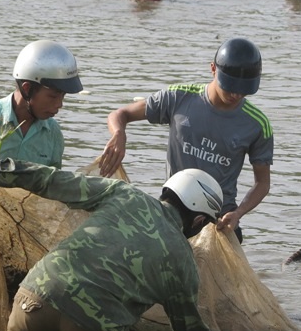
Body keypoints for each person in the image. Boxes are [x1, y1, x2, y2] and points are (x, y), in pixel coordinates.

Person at [0, 155, 225, 331]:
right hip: (93, 317)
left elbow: (52, 180)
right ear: (199, 220)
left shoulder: (125, 194)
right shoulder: (182, 259)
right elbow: (186, 326)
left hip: (35, 294)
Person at [98, 37, 272, 243]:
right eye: (230, 87)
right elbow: (120, 114)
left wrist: (239, 213)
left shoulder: (257, 124)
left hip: (219, 219)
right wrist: (119, 134)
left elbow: (262, 182)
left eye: (243, 90)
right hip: (174, 209)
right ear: (213, 69)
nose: (236, 94)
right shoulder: (179, 98)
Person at [0, 40, 83, 168]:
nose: (59, 104)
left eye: (63, 96)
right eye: (53, 96)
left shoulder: (53, 134)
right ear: (27, 89)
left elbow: (53, 184)